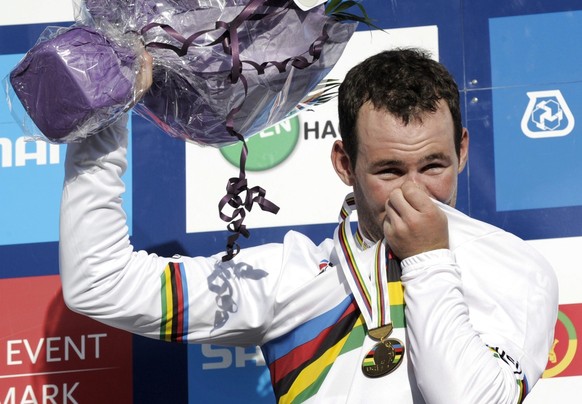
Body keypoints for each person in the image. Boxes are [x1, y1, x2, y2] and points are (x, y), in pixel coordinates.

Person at [59, 48, 558, 403]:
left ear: (463, 150)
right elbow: (99, 284)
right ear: (344, 163)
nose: (414, 192)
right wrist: (99, 117)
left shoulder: (515, 266)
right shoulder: (292, 276)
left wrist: (427, 258)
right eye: (388, 171)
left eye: (433, 166)